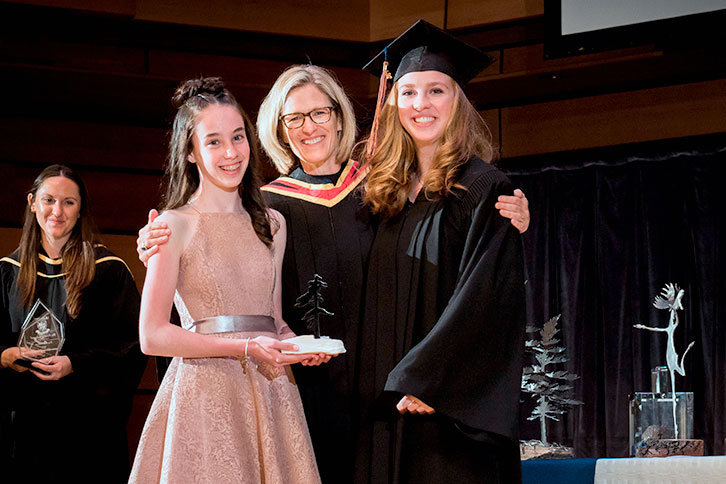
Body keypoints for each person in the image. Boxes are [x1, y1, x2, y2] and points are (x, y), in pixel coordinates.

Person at [136, 65, 530, 483]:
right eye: (295, 118)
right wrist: (158, 242)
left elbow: (449, 250)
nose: (309, 127)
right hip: (295, 390)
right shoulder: (268, 210)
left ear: (340, 118)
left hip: (382, 385)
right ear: (280, 128)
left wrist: (512, 215)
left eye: (320, 113)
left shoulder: (383, 189)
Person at [128, 76, 330, 484]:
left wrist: (297, 347)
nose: (231, 152)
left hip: (272, 393)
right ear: (190, 151)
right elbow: (152, 336)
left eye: (238, 137)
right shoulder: (173, 225)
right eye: (214, 141)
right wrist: (244, 348)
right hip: (205, 395)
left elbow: (272, 320)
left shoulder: (272, 223)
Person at [355, 20, 528, 483]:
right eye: (408, 92)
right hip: (385, 407)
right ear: (393, 102)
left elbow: (486, 298)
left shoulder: (486, 188)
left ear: (459, 102)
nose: (421, 105)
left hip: (447, 412)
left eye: (436, 91)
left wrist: (428, 379)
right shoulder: (380, 194)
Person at [0, 164, 147, 484]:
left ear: (81, 209)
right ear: (32, 203)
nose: (57, 211)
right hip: (24, 429)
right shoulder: (7, 272)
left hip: (89, 430)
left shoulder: (108, 271)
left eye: (69, 202)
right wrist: (5, 355)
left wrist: (75, 364)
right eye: (49, 200)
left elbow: (133, 346)